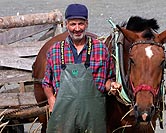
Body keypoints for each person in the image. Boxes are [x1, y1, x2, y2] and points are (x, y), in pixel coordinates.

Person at [42, 3, 121, 133]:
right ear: (66, 24)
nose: (77, 28)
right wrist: (51, 99)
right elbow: (46, 83)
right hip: (63, 116)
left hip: (93, 118)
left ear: (87, 24)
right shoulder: (55, 51)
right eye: (73, 24)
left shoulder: (101, 49)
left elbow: (108, 79)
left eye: (81, 24)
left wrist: (112, 85)